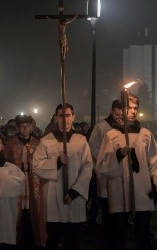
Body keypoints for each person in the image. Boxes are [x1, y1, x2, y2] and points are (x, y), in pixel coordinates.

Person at [96, 94, 157, 250]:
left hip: (142, 189)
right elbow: (102, 165)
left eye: (135, 108)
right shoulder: (112, 136)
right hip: (119, 190)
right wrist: (118, 155)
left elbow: (156, 161)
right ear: (121, 110)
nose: (133, 111)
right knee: (118, 234)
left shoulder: (145, 134)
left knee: (142, 233)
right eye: (129, 108)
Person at [33, 103, 93, 250]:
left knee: (73, 240)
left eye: (67, 115)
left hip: (74, 196)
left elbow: (88, 166)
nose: (64, 119)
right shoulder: (46, 140)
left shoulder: (81, 140)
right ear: (56, 118)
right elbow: (36, 165)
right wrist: (57, 162)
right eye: (61, 115)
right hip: (54, 196)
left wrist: (76, 190)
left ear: (73, 117)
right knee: (54, 238)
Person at [3, 115, 47, 249]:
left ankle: (35, 238)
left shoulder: (37, 143)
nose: (25, 129)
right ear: (18, 128)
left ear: (31, 127)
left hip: (34, 180)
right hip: (17, 181)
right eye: (22, 126)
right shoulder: (11, 144)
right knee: (18, 210)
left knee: (34, 208)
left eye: (27, 126)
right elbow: (5, 162)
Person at [87, 99, 123, 242]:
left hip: (120, 171)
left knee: (119, 205)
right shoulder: (101, 127)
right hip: (104, 170)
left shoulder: (123, 127)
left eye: (121, 115)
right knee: (106, 204)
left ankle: (118, 232)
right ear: (111, 111)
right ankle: (107, 233)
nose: (119, 117)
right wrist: (104, 160)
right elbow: (92, 147)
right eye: (117, 114)